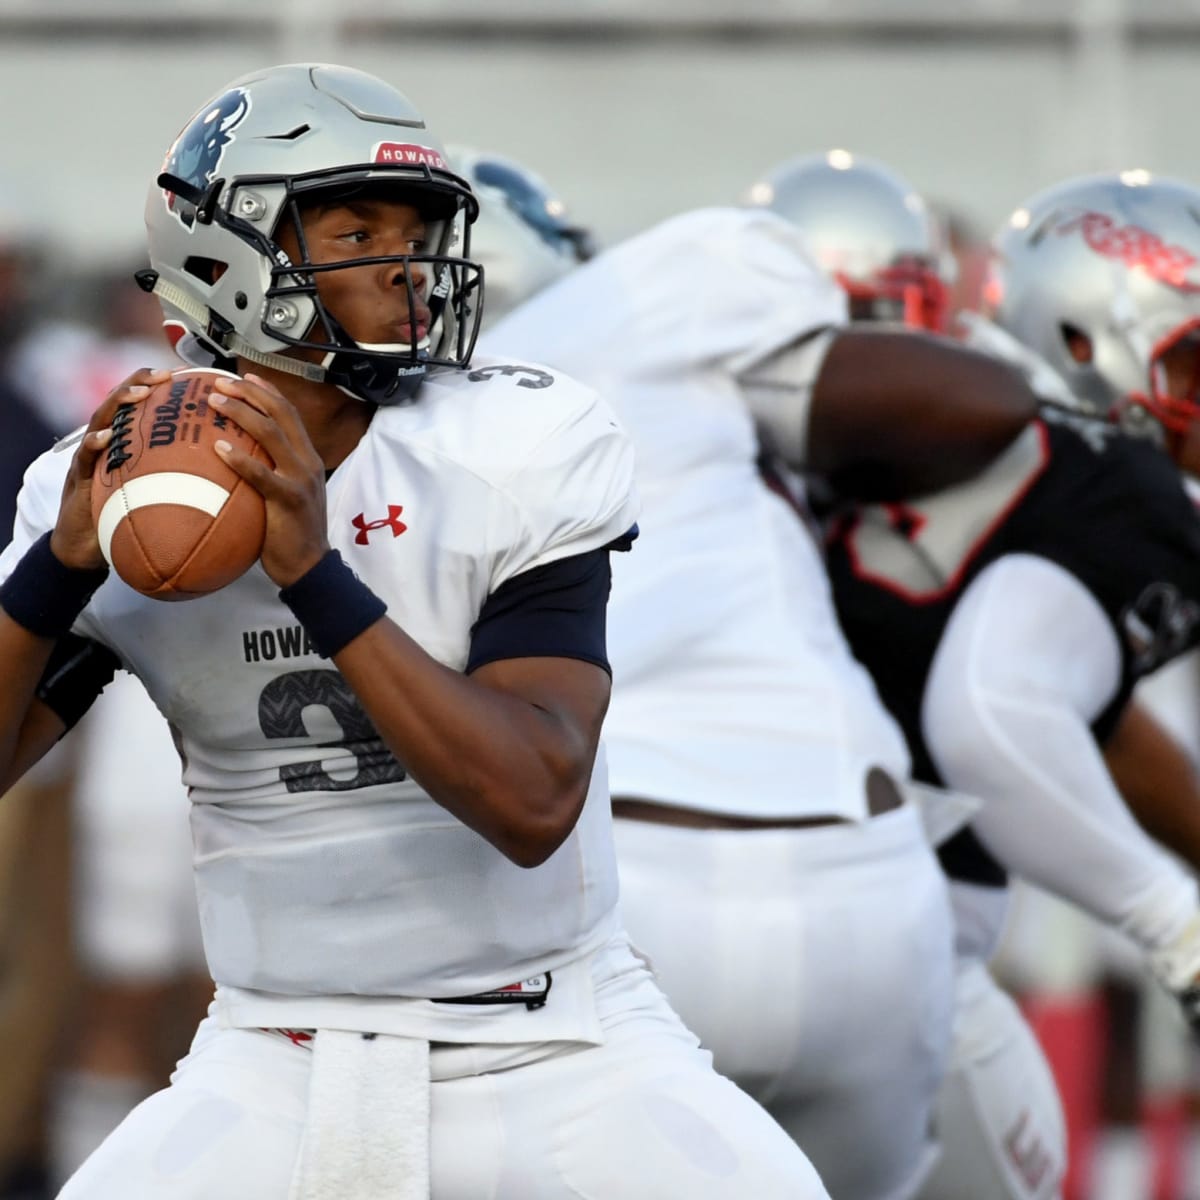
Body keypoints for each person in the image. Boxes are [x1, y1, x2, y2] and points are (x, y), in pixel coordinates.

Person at [0, 63, 832, 1199]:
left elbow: (534, 802)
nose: (408, 263)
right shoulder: (119, 484)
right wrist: (56, 572)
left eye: (418, 227)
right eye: (357, 230)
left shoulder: (514, 444)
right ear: (229, 255)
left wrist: (314, 575)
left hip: (554, 1039)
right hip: (271, 1050)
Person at [475, 151, 1041, 1199]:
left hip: (618, 897)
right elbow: (989, 402)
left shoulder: (376, 450)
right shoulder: (660, 307)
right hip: (863, 882)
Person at [763, 160, 1200, 1199]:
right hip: (896, 942)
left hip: (666, 928)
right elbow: (997, 711)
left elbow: (1081, 706)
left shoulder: (771, 451)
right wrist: (1172, 924)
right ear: (1089, 338)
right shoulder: (1106, 476)